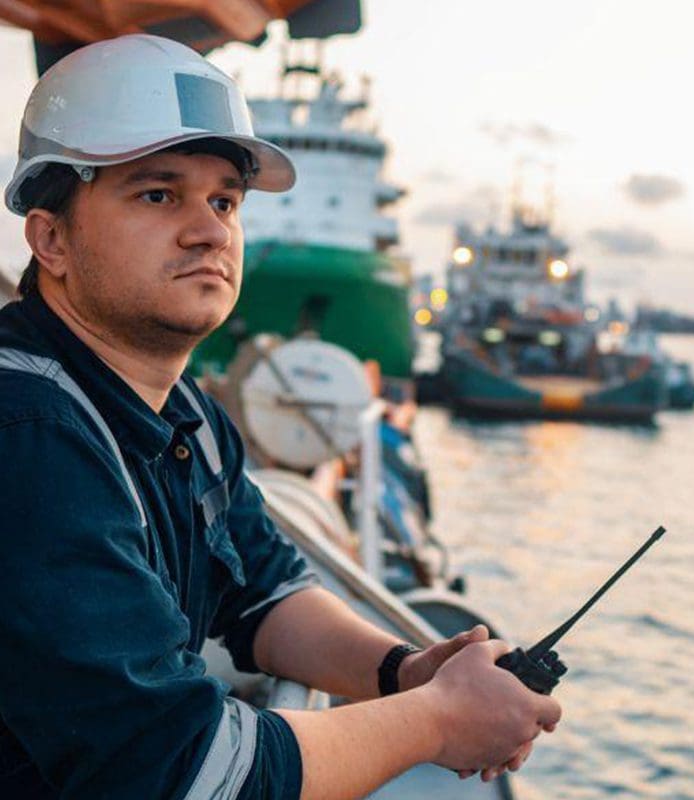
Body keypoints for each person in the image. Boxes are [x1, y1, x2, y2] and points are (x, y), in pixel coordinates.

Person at [0, 34, 561, 800]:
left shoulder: (182, 410)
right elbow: (181, 771)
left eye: (224, 200)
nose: (209, 231)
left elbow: (261, 590)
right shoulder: (27, 431)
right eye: (158, 194)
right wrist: (435, 721)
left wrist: (403, 671)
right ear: (51, 238)